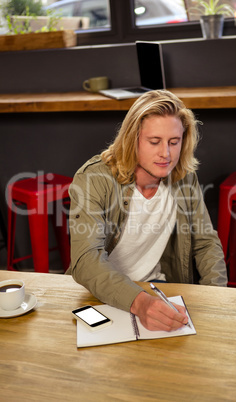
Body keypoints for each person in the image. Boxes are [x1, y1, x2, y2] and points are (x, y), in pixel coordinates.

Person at [68, 90, 227, 332]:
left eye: (174, 142)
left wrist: (217, 301)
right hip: (101, 294)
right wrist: (140, 302)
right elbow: (86, 259)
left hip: (157, 290)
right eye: (154, 142)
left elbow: (205, 243)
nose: (166, 154)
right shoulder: (93, 179)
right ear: (133, 140)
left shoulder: (184, 178)